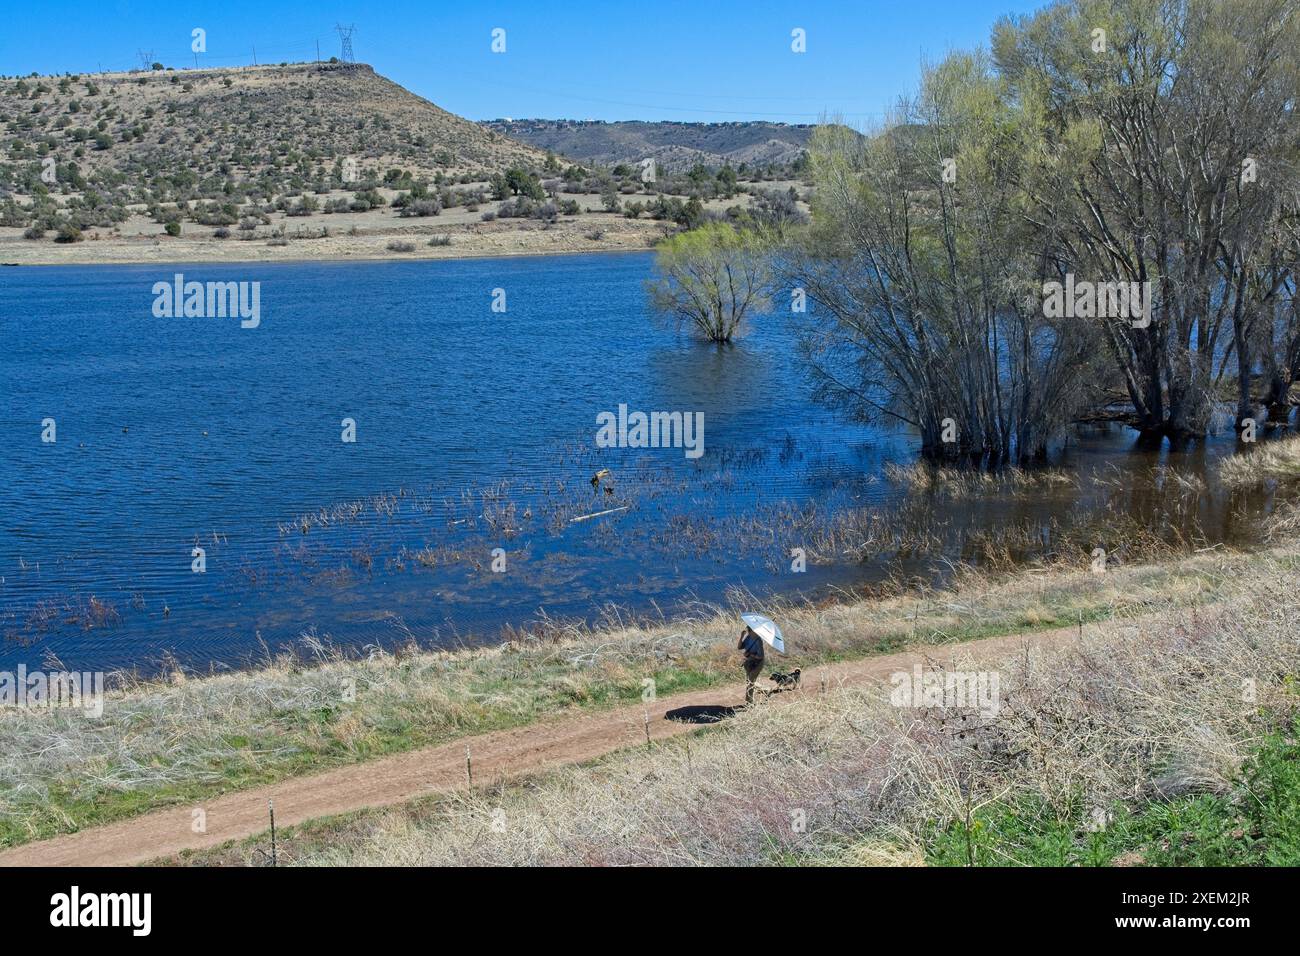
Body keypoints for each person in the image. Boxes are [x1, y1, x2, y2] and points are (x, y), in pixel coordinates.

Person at [738, 625, 765, 704]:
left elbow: (760, 656)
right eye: (748, 630)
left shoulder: (758, 640)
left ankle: (749, 702)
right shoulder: (748, 638)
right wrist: (741, 637)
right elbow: (739, 647)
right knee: (749, 681)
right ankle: (766, 689)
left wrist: (750, 654)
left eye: (750, 630)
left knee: (750, 681)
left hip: (758, 663)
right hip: (749, 662)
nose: (748, 632)